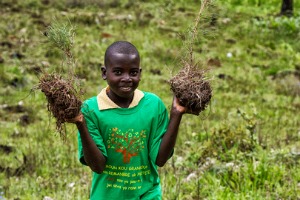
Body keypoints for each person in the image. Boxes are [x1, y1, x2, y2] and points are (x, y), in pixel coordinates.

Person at [68, 41, 197, 200]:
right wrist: (80, 124)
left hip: (148, 194)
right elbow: (98, 166)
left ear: (140, 73)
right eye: (118, 72)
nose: (127, 78)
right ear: (104, 73)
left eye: (133, 72)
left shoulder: (153, 105)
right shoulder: (90, 110)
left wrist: (176, 115)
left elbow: (161, 159)